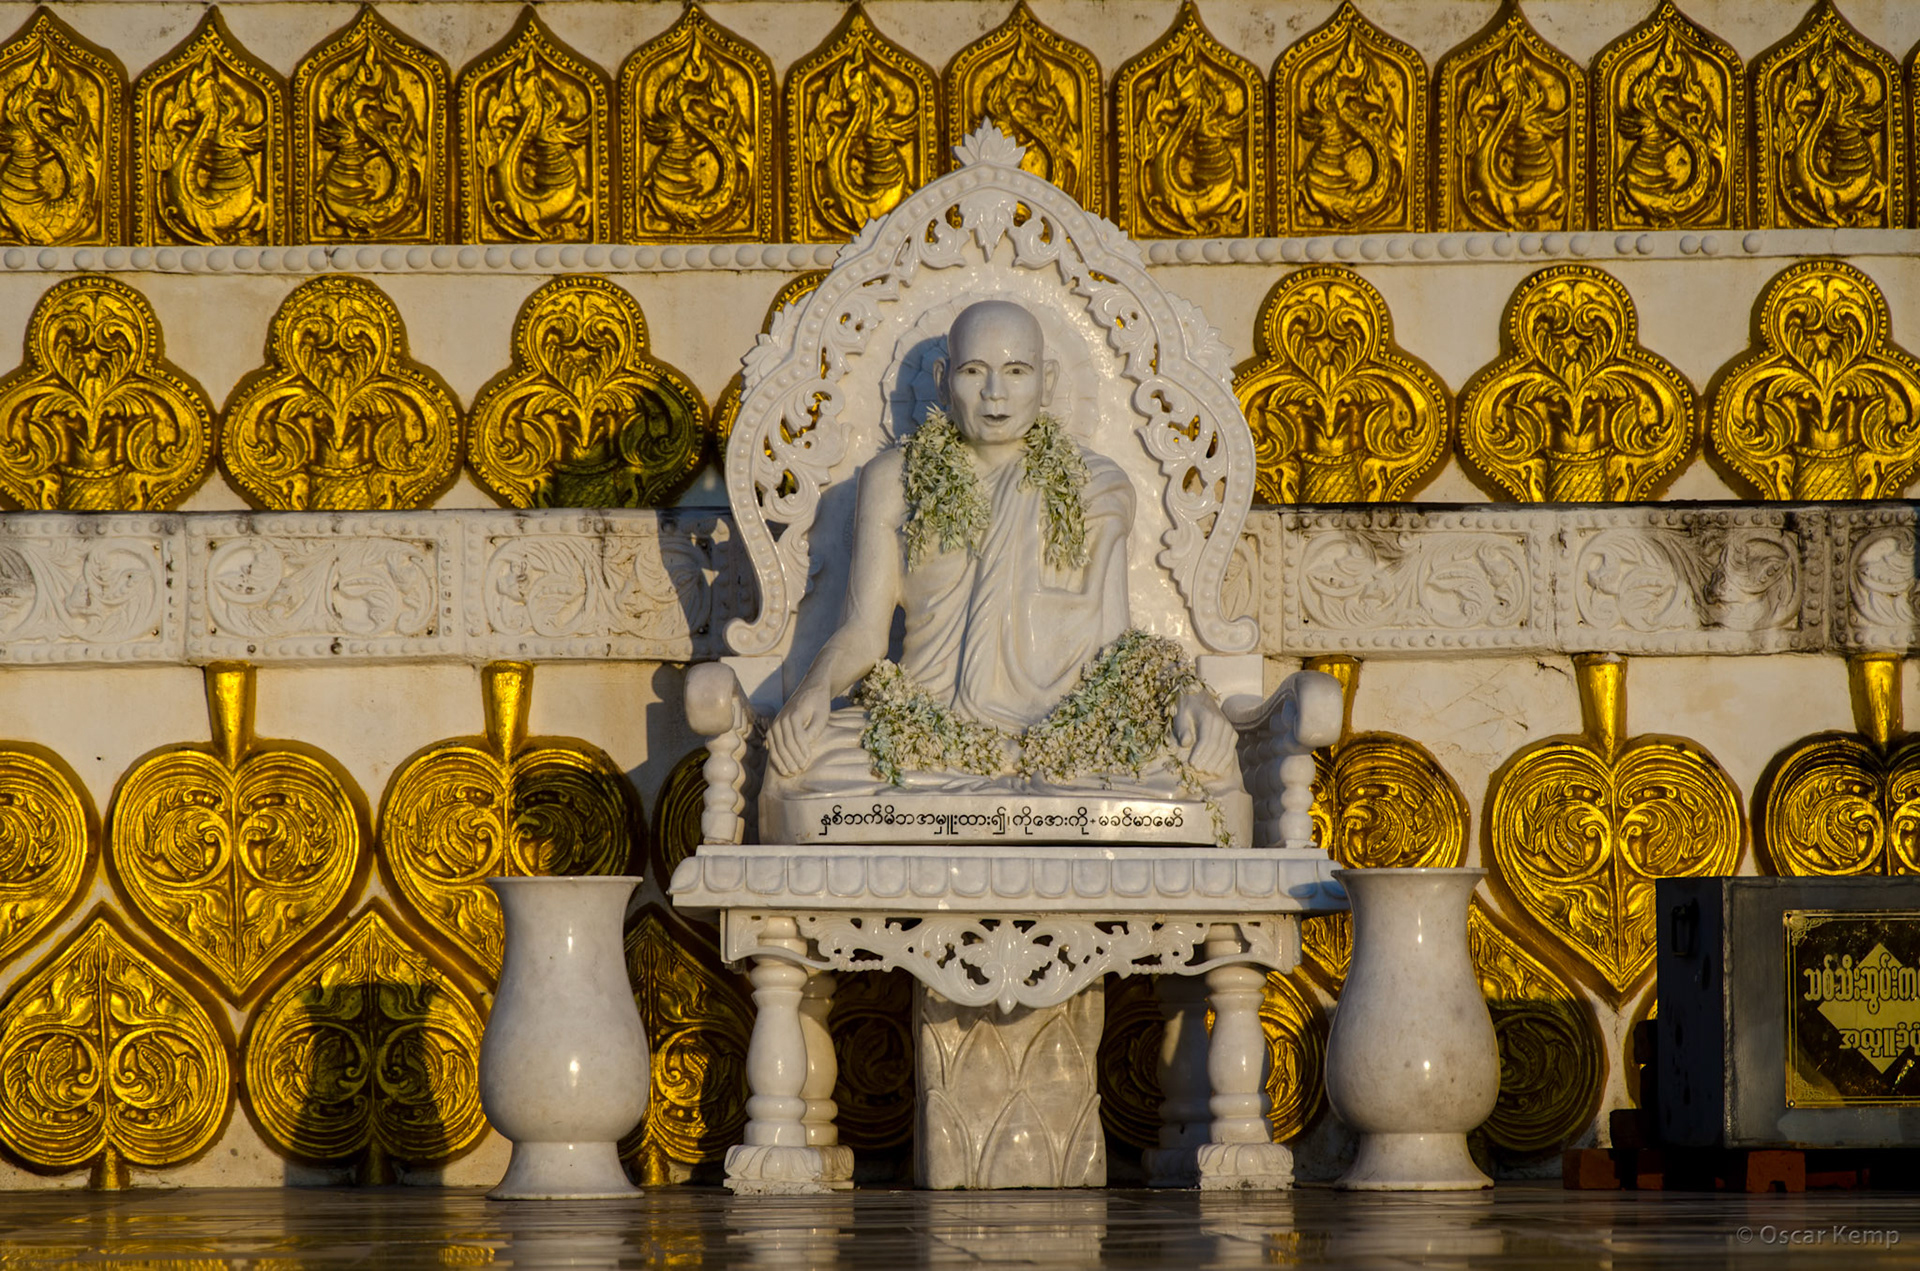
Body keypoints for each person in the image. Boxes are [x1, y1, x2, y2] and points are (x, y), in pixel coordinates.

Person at [763, 299, 1237, 802]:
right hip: (924, 734)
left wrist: (1189, 696)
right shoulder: (894, 480)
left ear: (1047, 382)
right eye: (974, 371)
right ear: (944, 381)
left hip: (1067, 738)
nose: (994, 394)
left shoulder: (1093, 485)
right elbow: (863, 633)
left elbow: (1116, 647)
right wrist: (814, 688)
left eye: (1016, 371)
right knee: (797, 771)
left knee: (1201, 770)